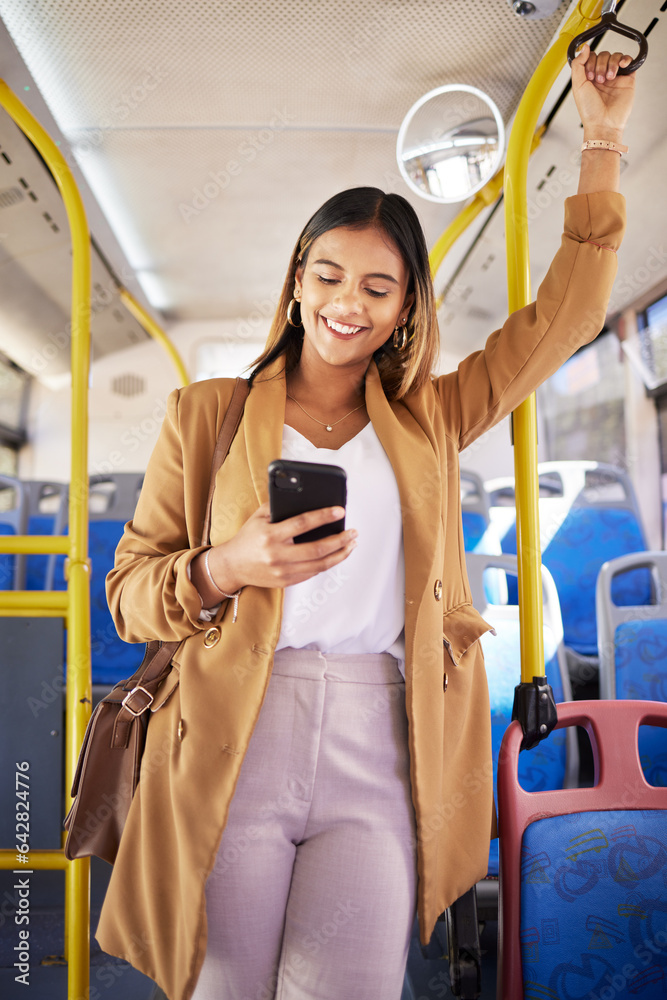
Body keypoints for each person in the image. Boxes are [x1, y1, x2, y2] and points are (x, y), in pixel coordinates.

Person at [96, 44, 636, 1000]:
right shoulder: (208, 415)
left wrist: (600, 141)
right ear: (298, 281)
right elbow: (132, 597)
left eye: (376, 289)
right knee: (225, 989)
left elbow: (563, 318)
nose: (347, 303)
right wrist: (227, 564)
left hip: (380, 737)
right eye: (329, 276)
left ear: (402, 310)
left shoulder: (431, 419)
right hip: (234, 736)